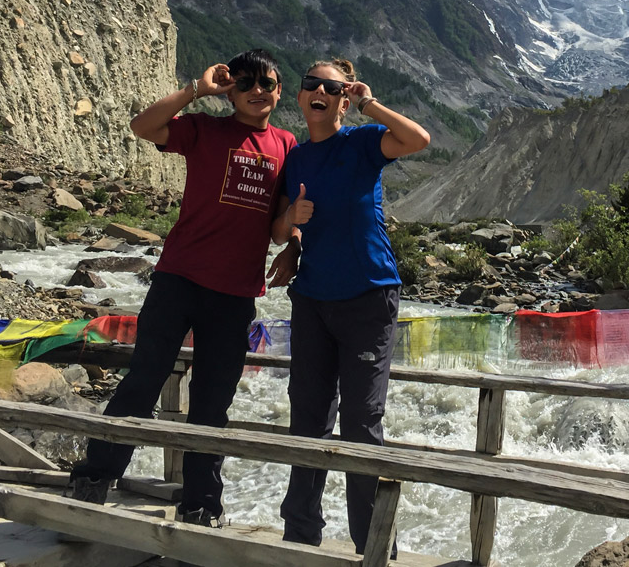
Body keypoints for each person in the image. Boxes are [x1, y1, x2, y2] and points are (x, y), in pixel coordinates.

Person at [67, 48, 298, 528]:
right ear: (231, 88)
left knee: (213, 402)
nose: (259, 91)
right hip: (178, 280)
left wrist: (294, 243)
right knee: (143, 380)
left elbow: (282, 218)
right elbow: (143, 127)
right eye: (247, 82)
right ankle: (95, 476)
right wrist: (196, 89)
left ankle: (200, 503)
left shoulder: (286, 145)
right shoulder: (204, 129)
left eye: (268, 84)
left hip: (236, 293)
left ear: (279, 91)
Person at [268, 57, 430, 553]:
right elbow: (276, 228)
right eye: (310, 85)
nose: (318, 91)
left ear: (343, 98)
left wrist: (369, 103)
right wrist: (292, 227)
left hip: (368, 294)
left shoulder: (361, 142)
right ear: (299, 97)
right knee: (307, 418)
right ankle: (300, 538)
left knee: (362, 424)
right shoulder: (295, 157)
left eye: (331, 88)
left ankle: (373, 548)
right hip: (313, 300)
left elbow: (417, 140)